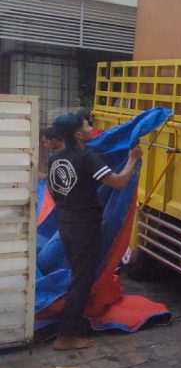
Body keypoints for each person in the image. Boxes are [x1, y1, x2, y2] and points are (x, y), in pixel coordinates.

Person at [46, 112, 142, 350]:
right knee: (82, 280)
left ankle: (69, 326)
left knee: (77, 275)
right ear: (79, 134)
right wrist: (131, 159)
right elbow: (118, 182)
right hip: (84, 227)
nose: (91, 127)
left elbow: (55, 192)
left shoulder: (54, 159)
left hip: (66, 222)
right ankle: (65, 336)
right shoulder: (87, 158)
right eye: (87, 124)